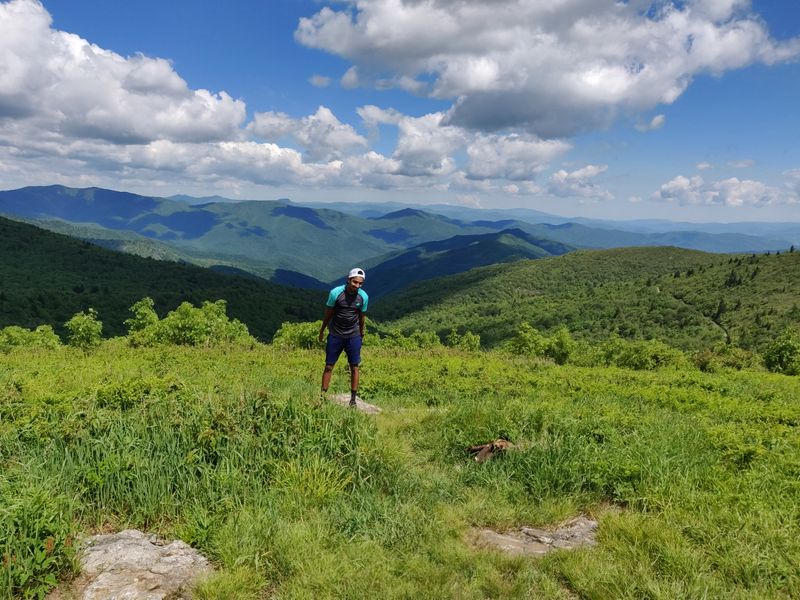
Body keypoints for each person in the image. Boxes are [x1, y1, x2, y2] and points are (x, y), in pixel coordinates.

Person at [319, 267, 368, 407]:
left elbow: (362, 317)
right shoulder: (335, 293)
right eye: (355, 282)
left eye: (360, 283)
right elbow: (328, 313)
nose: (357, 286)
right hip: (335, 334)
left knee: (354, 367)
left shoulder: (363, 297)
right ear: (348, 279)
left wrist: (361, 333)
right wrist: (322, 330)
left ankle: (353, 400)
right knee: (329, 366)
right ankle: (322, 397)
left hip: (353, 336)